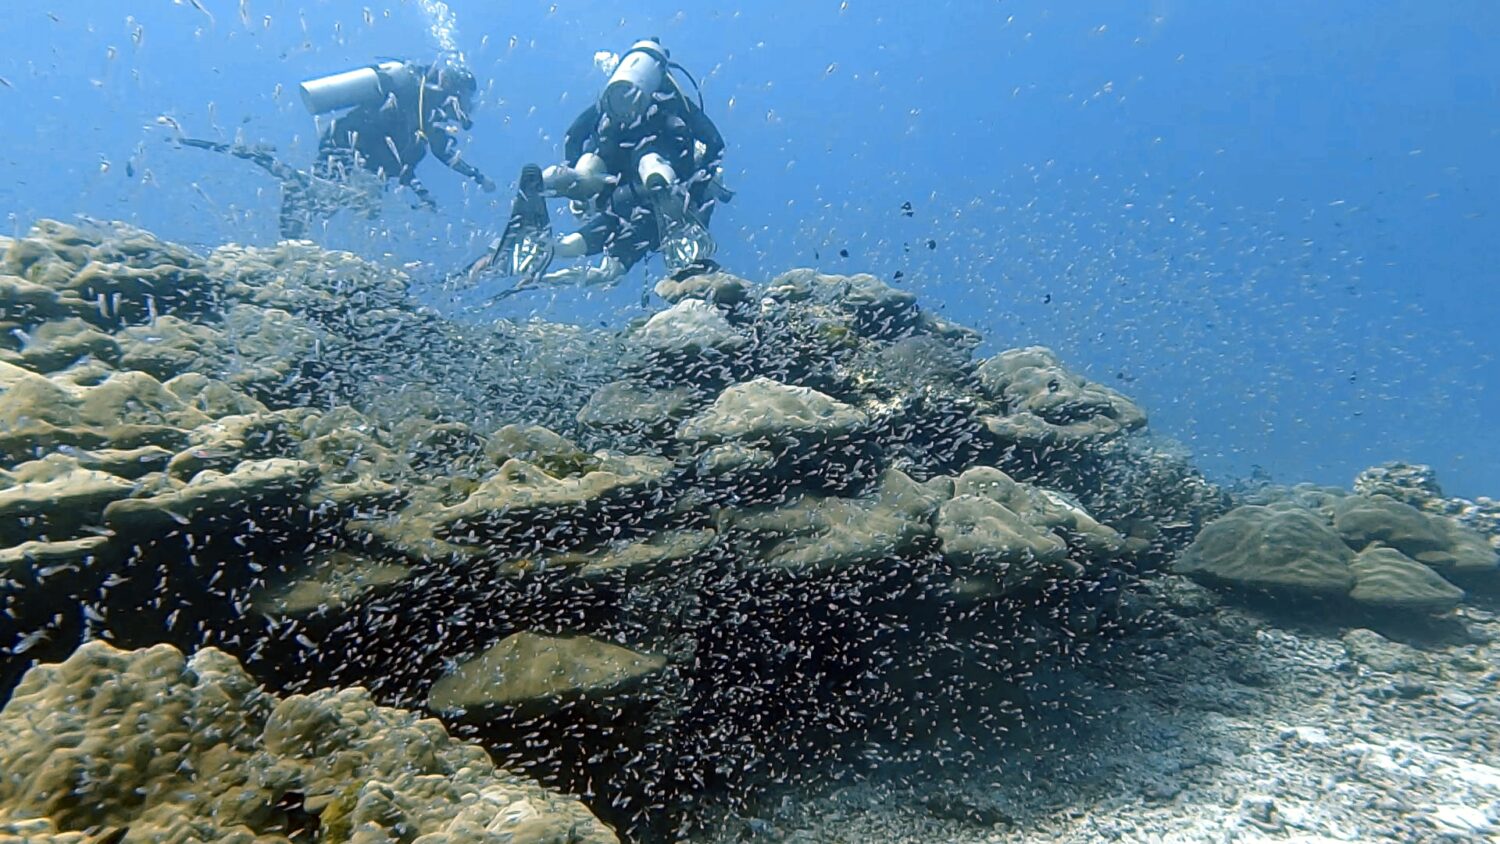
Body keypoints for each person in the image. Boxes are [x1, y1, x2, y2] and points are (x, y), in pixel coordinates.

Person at [470, 38, 731, 296]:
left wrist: (576, 181)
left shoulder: (606, 104)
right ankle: (660, 183)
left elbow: (574, 135)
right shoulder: (673, 102)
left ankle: (547, 183)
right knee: (612, 267)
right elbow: (714, 144)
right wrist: (695, 191)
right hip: (643, 204)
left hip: (610, 185)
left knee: (585, 177)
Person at [179, 60, 495, 239]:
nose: (468, 108)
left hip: (352, 150)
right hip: (351, 148)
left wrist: (471, 178)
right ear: (455, 90)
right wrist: (477, 177)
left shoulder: (425, 112)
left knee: (340, 203)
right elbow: (433, 151)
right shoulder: (419, 95)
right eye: (467, 98)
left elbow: (431, 153)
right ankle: (287, 183)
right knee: (338, 198)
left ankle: (296, 209)